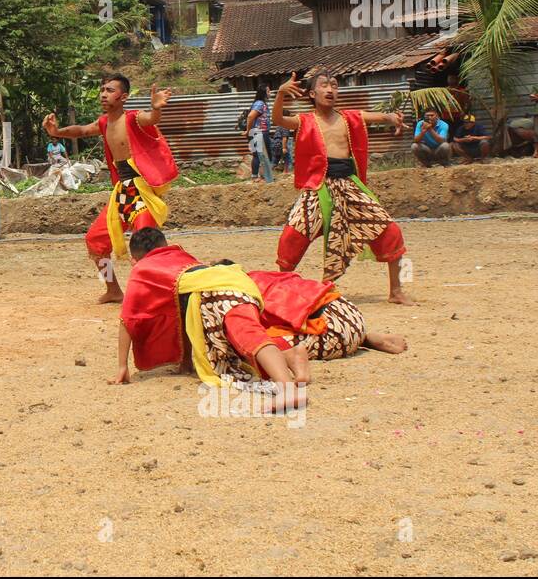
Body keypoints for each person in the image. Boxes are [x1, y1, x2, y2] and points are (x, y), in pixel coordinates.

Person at [110, 228, 406, 394]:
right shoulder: (192, 264)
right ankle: (364, 337)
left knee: (243, 343)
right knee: (242, 336)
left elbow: (129, 319)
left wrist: (123, 366)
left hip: (329, 332)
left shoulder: (151, 272)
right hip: (348, 316)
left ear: (137, 260)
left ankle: (287, 377)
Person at [272, 67, 411, 303]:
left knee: (391, 231)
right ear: (312, 94)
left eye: (334, 85)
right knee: (291, 237)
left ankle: (397, 291)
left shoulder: (349, 118)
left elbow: (376, 116)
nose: (330, 89)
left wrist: (391, 118)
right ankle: (280, 291)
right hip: (318, 188)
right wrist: (280, 94)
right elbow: (278, 120)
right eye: (324, 85)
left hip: (349, 186)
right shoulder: (304, 120)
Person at [43, 73, 179, 304]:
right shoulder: (105, 122)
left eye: (110, 90)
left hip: (140, 190)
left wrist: (156, 108)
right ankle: (113, 289)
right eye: (102, 90)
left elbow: (151, 119)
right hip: (122, 191)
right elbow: (82, 130)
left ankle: (162, 292)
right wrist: (56, 132)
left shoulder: (134, 118)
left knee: (146, 245)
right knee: (95, 241)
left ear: (124, 97)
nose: (104, 94)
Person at [245, 84, 272, 182]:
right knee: (261, 154)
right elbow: (250, 116)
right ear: (263, 93)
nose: (270, 93)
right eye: (268, 91)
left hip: (258, 132)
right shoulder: (260, 103)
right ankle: (258, 177)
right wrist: (248, 131)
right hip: (259, 132)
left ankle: (258, 176)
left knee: (259, 154)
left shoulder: (261, 103)